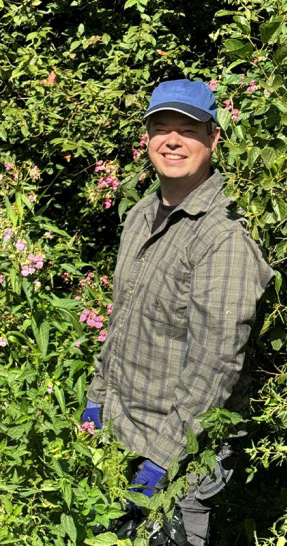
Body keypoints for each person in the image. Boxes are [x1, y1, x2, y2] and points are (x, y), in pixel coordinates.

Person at [82, 79, 273, 545]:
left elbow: (215, 363)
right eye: (161, 127)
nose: (172, 140)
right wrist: (97, 398)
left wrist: (162, 459)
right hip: (120, 431)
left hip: (179, 456)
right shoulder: (140, 216)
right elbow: (123, 320)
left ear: (213, 138)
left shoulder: (223, 235)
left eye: (187, 129)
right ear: (146, 138)